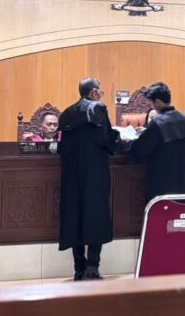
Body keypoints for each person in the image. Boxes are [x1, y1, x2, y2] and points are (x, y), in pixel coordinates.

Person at [57, 77, 120, 281]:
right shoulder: (96, 108)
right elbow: (105, 139)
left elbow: (60, 144)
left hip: (71, 173)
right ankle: (92, 266)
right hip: (95, 172)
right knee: (95, 214)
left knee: (74, 215)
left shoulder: (66, 113)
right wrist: (118, 137)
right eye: (100, 92)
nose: (100, 95)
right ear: (93, 92)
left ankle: (78, 267)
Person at [125, 82, 185, 201]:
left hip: (161, 182)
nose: (152, 106)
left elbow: (140, 150)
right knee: (178, 210)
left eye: (152, 102)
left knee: (159, 211)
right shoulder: (184, 119)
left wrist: (125, 142)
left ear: (158, 101)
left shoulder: (157, 123)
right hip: (181, 180)